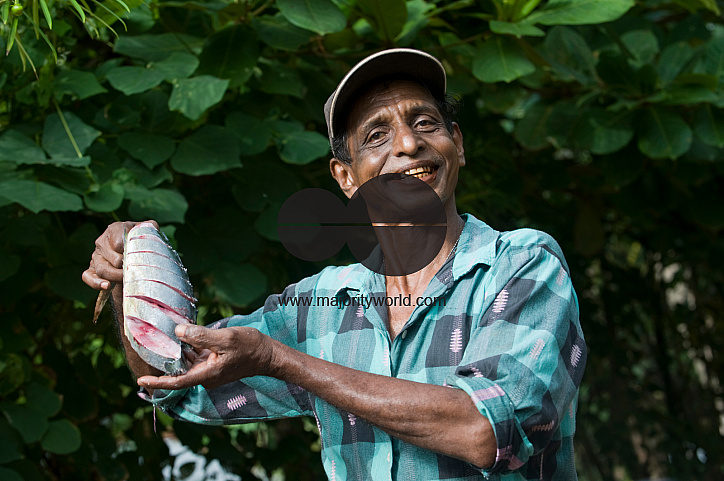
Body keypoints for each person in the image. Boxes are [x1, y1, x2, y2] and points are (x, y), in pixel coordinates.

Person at [83, 48, 587, 480]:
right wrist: (136, 269)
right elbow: (173, 381)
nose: (408, 144)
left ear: (457, 142)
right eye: (376, 135)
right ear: (346, 177)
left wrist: (282, 361)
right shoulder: (316, 306)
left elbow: (485, 430)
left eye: (425, 122)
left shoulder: (522, 264)